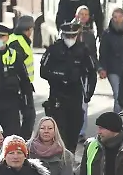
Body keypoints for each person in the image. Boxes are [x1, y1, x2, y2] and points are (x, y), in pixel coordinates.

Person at [40, 21, 98, 150]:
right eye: (67, 36)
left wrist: (88, 93)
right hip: (57, 95)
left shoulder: (83, 50)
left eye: (73, 36)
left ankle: (70, 155)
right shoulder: (54, 49)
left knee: (73, 130)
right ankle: (59, 156)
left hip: (75, 95)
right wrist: (59, 76)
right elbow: (43, 71)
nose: (70, 39)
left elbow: (92, 72)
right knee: (59, 131)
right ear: (63, 35)